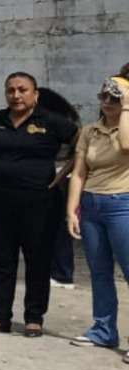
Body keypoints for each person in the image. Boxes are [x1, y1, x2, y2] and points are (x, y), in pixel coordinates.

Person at [0, 72, 78, 337]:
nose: (16, 95)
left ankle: (34, 318)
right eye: (11, 90)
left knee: (38, 259)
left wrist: (63, 173)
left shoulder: (51, 121)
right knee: (2, 258)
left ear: (35, 94)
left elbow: (83, 145)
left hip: (41, 202)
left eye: (22, 90)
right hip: (0, 200)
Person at [65, 74, 129, 355]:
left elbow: (126, 145)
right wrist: (72, 210)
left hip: (122, 204)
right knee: (99, 271)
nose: (107, 102)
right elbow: (79, 172)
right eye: (104, 96)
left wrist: (127, 107)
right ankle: (103, 331)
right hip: (92, 205)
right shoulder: (90, 131)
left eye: (115, 97)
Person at [37, 87, 81, 290]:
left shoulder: (56, 123)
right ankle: (59, 272)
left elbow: (78, 151)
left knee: (57, 228)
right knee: (56, 227)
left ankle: (62, 274)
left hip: (58, 176)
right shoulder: (68, 118)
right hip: (62, 175)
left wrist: (60, 175)